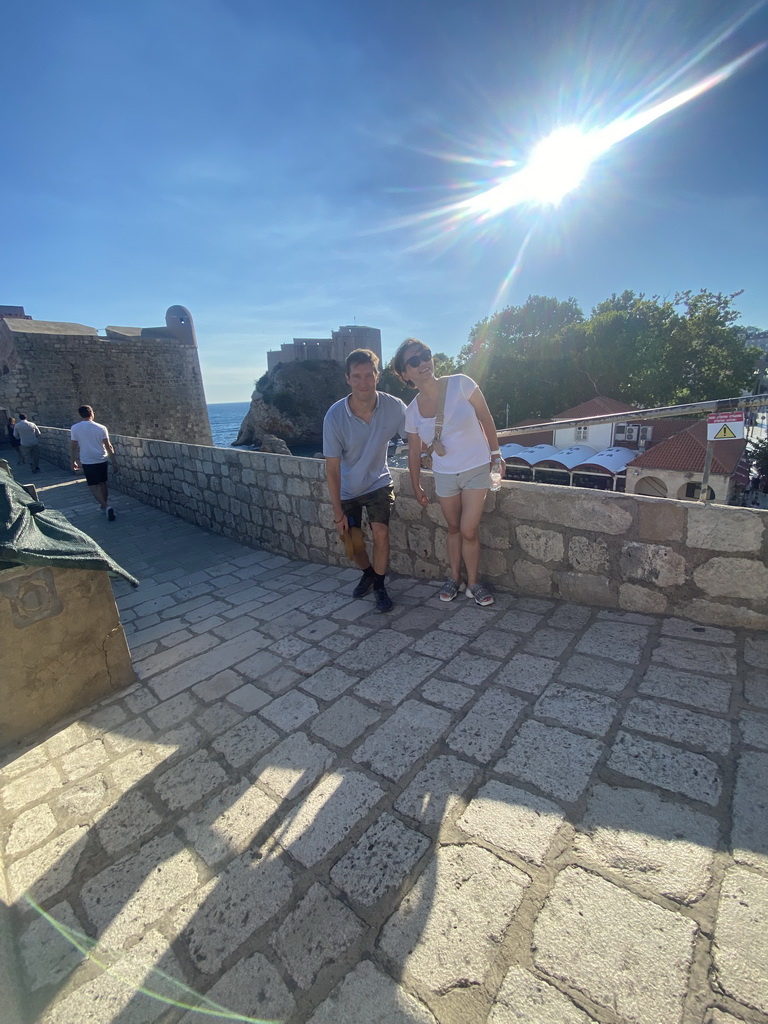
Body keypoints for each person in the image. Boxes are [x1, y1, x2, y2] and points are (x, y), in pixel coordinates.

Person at [392, 338, 503, 607]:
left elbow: (486, 418)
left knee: (468, 530)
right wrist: (416, 485)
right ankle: (455, 578)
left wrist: (497, 455)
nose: (423, 363)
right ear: (405, 375)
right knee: (453, 528)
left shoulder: (462, 383)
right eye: (414, 361)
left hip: (476, 468)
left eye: (426, 355)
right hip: (444, 475)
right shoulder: (413, 411)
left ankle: (473, 583)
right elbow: (414, 451)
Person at [323, 348, 407, 613]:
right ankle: (368, 573)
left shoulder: (394, 407)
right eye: (357, 377)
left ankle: (380, 586)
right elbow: (332, 469)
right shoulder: (334, 417)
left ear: (377, 376)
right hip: (347, 487)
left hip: (378, 482)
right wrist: (338, 513)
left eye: (368, 376)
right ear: (347, 378)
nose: (363, 383)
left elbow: (415, 440)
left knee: (381, 533)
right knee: (352, 544)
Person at [70, 405, 120, 519]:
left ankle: (105, 506)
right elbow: (108, 446)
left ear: (80, 414)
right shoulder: (101, 427)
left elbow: (73, 446)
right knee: (103, 483)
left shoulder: (75, 428)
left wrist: (73, 460)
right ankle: (104, 506)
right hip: (102, 458)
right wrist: (114, 461)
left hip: (87, 460)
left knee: (93, 486)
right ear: (92, 413)